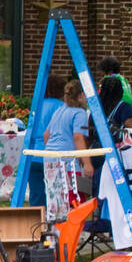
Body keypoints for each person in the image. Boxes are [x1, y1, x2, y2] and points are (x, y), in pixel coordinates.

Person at [41, 79, 93, 215]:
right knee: (73, 201)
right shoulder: (79, 113)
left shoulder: (60, 110)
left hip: (50, 159)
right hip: (67, 162)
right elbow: (78, 137)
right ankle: (70, 233)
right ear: (81, 95)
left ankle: (55, 231)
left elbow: (46, 135)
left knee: (55, 200)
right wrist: (87, 163)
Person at [89, 75, 132, 182]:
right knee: (113, 185)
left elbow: (90, 131)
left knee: (98, 184)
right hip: (113, 149)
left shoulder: (96, 107)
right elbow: (130, 124)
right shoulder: (123, 106)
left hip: (95, 150)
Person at [26, 75, 68, 207]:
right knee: (55, 195)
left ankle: (36, 223)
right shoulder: (62, 107)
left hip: (33, 155)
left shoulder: (36, 106)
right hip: (52, 155)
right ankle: (53, 224)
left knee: (36, 195)